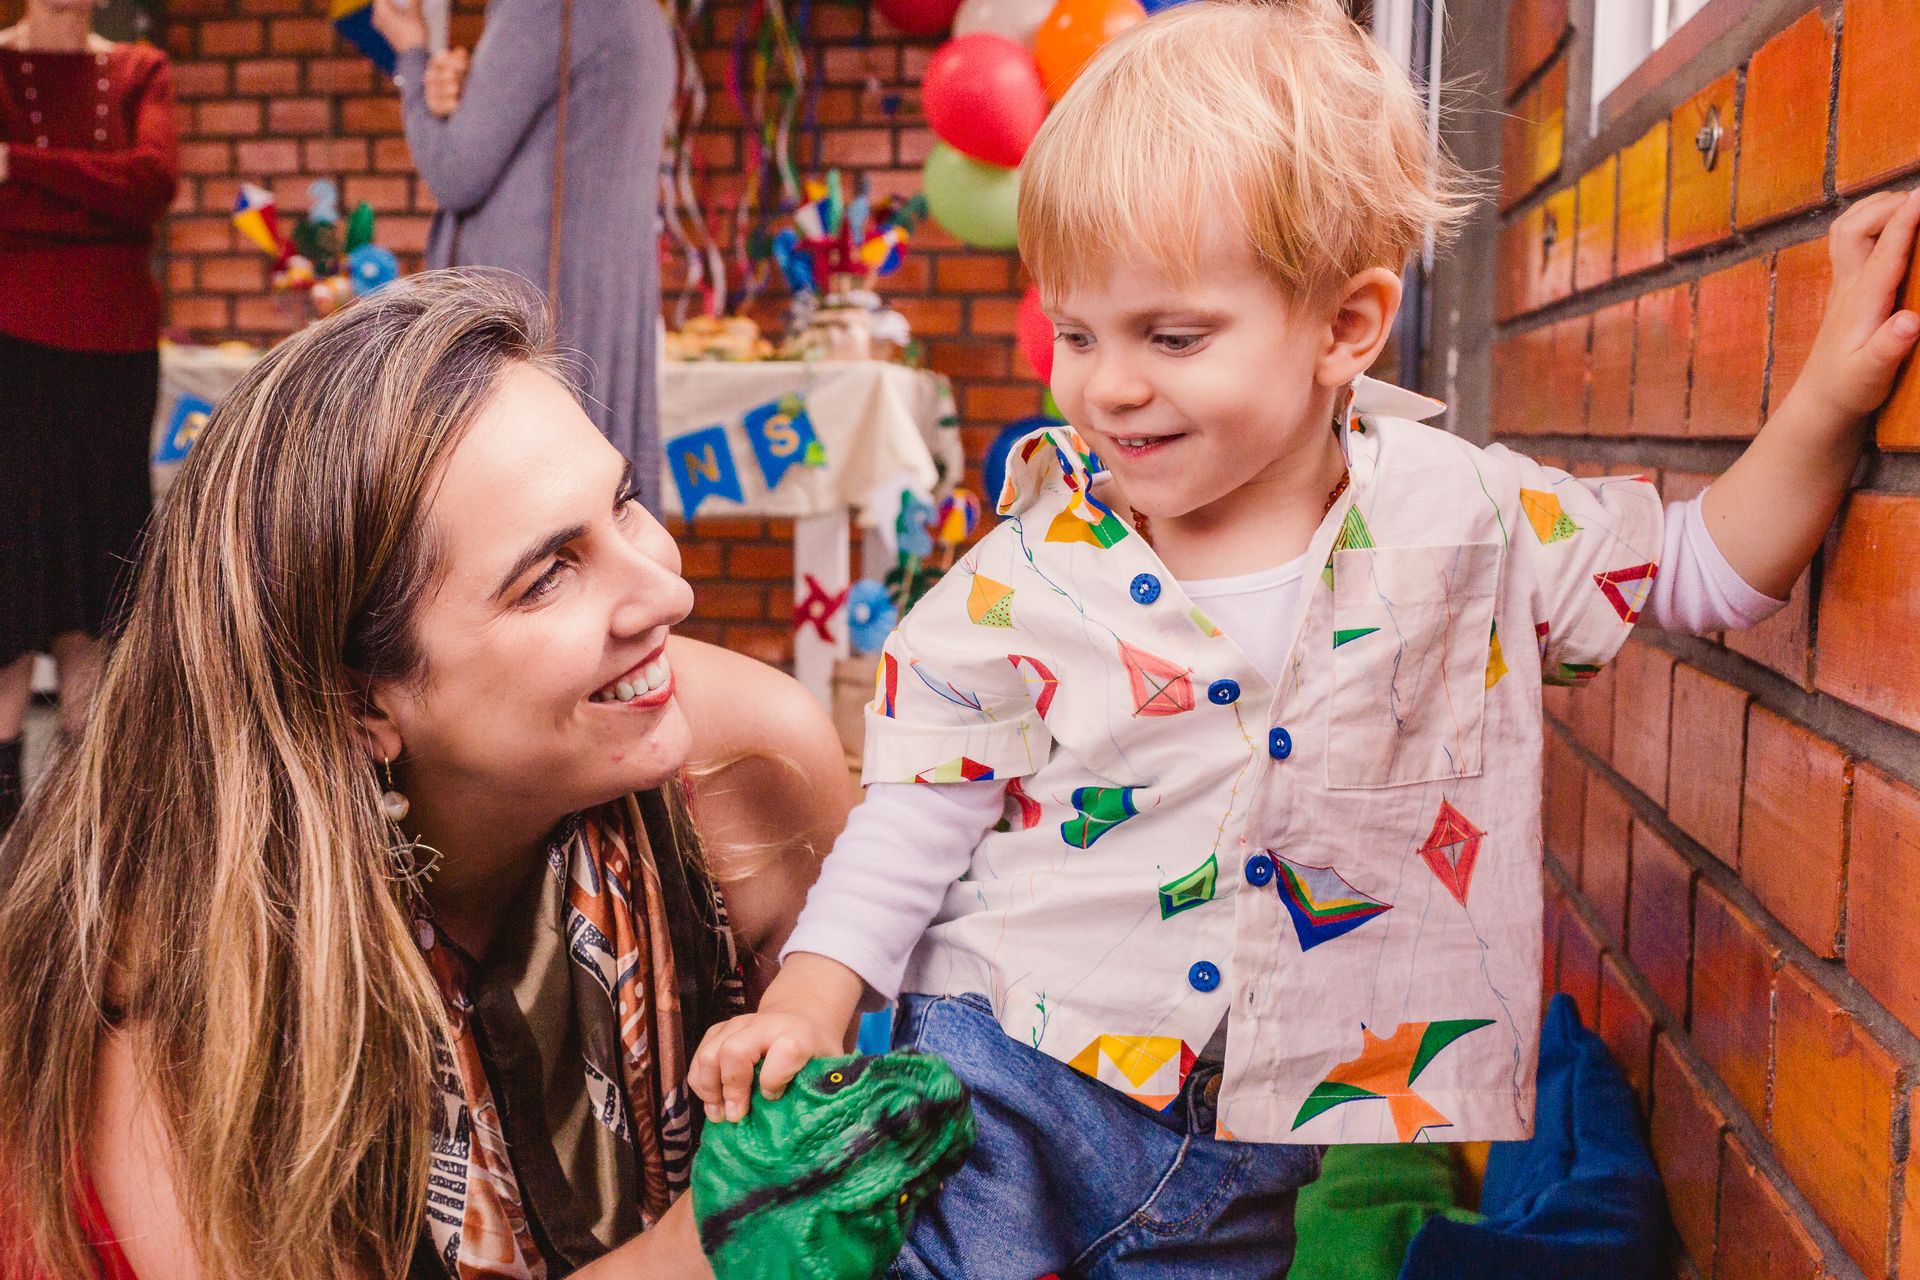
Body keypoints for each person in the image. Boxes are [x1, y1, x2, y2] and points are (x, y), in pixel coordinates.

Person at [688, 1, 1920, 1275]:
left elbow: (1707, 569)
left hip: (1259, 1136)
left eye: (1172, 336)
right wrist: (814, 990)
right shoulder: (1035, 566)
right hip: (1010, 1083)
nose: (1107, 384)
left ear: (1345, 327)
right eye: (1079, 332)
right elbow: (920, 805)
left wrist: (1832, 387)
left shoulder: (1468, 521)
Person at [0, 270, 852, 1280]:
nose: (666, 587)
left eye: (623, 504)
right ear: (363, 701)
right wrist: (700, 1251)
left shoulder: (751, 766)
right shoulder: (176, 959)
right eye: (549, 574)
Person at [373, 0, 675, 503]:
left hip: (529, 325)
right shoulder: (636, 14)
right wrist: (455, 99)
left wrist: (410, 53)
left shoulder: (544, 10)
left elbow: (455, 173)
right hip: (593, 317)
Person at [0, 0, 178, 832]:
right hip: (10, 353)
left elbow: (151, 188)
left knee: (100, 576)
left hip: (113, 356)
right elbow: (123, 197)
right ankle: (5, 810)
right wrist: (96, 204)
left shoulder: (139, 69)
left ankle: (81, 830)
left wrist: (21, 169)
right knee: (12, 568)